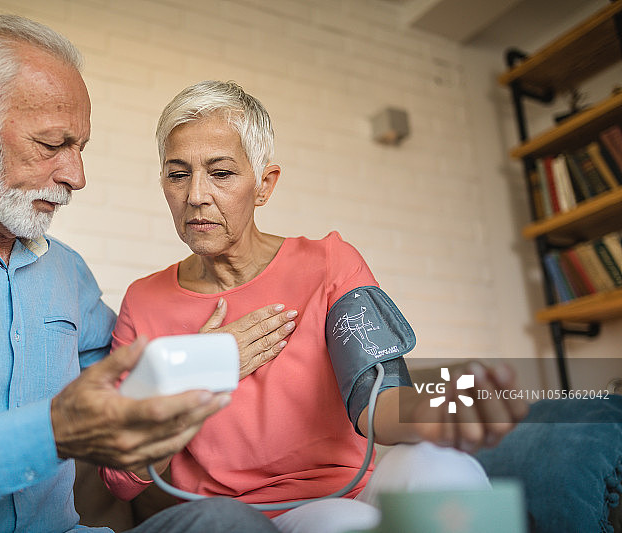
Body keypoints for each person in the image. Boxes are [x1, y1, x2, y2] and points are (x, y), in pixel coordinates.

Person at [0, 16, 289, 533]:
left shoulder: (67, 271)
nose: (77, 176)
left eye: (80, 148)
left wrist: (206, 360)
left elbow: (127, 385)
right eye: (52, 145)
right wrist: (49, 433)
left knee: (226, 523)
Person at [99, 80, 531, 532]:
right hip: (243, 520)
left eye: (221, 173)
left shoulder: (328, 262)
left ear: (264, 185)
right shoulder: (144, 301)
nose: (196, 196)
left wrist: (440, 411)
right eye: (178, 173)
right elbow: (118, 479)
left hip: (354, 491)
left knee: (447, 469)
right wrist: (198, 369)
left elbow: (377, 399)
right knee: (344, 524)